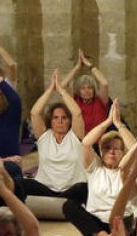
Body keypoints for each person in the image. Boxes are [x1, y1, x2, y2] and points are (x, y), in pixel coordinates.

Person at [62, 102, 136, 236]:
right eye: (107, 148)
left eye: (116, 149)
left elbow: (135, 148)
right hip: (96, 224)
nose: (112, 152)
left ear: (123, 152)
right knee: (69, 206)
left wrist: (118, 124)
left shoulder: (126, 168)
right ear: (101, 152)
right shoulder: (95, 167)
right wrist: (107, 122)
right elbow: (85, 143)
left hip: (121, 221)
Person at [23, 69, 89, 203]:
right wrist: (50, 89)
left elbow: (77, 113)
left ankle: (62, 203)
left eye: (64, 118)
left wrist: (60, 90)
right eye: (56, 118)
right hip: (46, 189)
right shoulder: (44, 136)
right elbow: (35, 113)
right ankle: (55, 202)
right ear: (50, 120)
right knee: (20, 183)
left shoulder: (75, 136)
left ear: (69, 121)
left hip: (72, 190)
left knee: (83, 188)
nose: (60, 121)